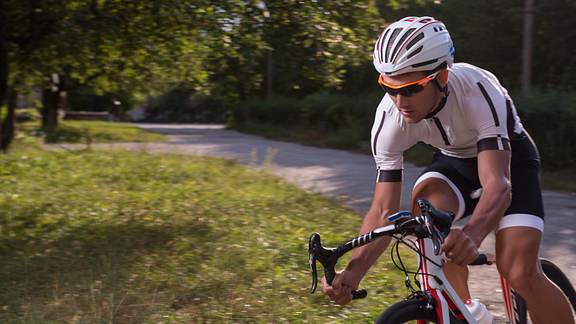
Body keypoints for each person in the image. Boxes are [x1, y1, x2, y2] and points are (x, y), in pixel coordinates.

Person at [321, 16, 574, 324]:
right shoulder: (390, 118)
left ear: (441, 77)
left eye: (412, 88)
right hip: (453, 161)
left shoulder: (478, 91)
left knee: (520, 271)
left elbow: (499, 185)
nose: (400, 101)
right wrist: (354, 270)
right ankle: (467, 312)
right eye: (389, 87)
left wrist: (472, 234)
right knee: (426, 216)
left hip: (508, 161)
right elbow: (382, 210)